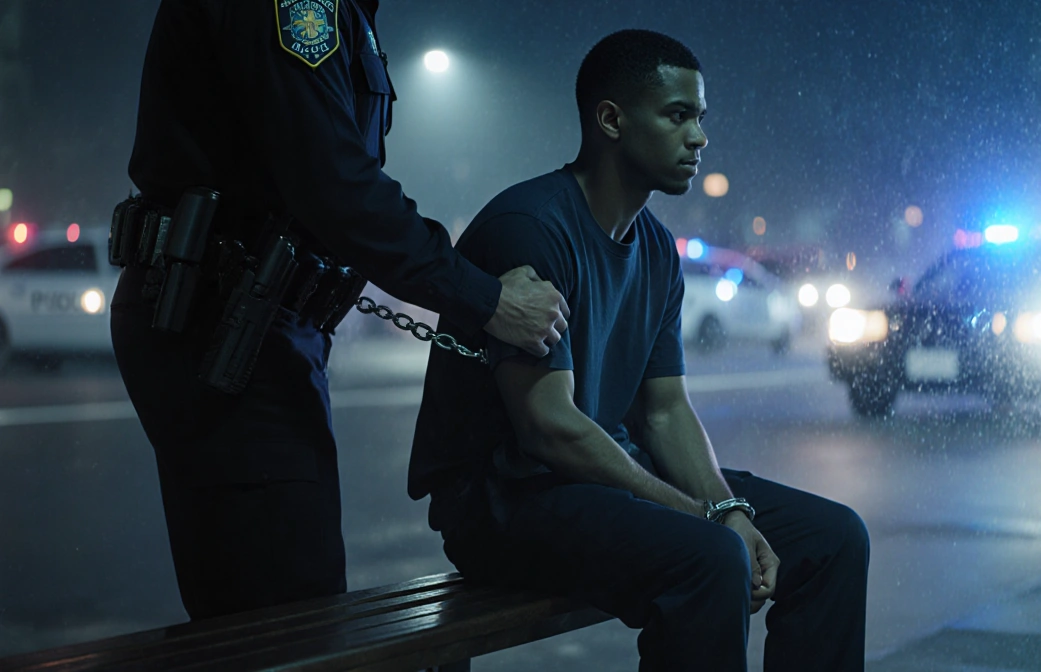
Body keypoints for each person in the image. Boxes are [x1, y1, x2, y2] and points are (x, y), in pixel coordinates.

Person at [410, 29, 870, 671]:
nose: (700, 137)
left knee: (832, 538)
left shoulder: (655, 248)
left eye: (701, 117)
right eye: (678, 115)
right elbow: (548, 428)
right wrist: (703, 521)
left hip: (596, 484)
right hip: (505, 503)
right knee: (711, 558)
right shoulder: (531, 230)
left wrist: (727, 508)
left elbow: (664, 413)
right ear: (611, 121)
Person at [109, 0, 568, 621]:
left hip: (247, 312)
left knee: (267, 608)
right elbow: (336, 184)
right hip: (226, 320)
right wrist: (488, 300)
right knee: (283, 615)